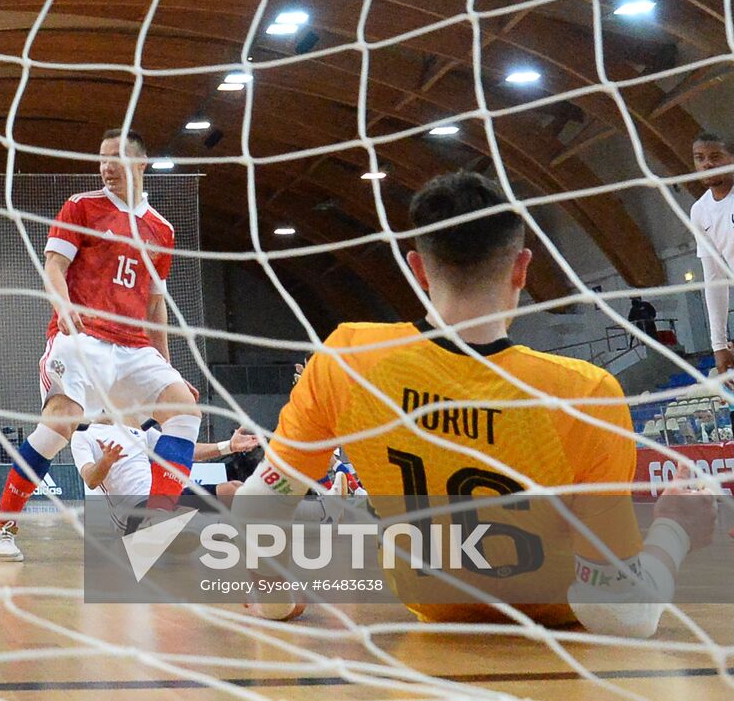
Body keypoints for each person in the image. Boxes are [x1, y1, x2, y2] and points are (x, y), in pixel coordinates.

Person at [232, 171, 715, 636]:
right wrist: (673, 529)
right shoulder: (582, 392)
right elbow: (621, 618)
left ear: (417, 268)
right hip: (557, 636)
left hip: (434, 626)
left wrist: (277, 598)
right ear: (522, 268)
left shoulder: (348, 358)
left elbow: (257, 505)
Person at [0, 129, 202, 562]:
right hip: (81, 338)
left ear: (141, 165)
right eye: (101, 159)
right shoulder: (82, 207)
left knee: (185, 411)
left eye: (115, 160)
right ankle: (1, 528)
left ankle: (153, 531)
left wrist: (166, 367)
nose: (105, 168)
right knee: (61, 423)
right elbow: (54, 265)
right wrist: (63, 307)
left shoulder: (161, 230)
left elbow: (155, 306)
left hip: (133, 346)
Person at [72, 419, 261, 531]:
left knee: (234, 490)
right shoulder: (83, 434)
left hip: (162, 499)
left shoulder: (135, 425)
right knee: (178, 524)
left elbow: (182, 451)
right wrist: (106, 461)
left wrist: (229, 446)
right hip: (133, 512)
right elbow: (90, 478)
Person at [691, 133, 734, 375]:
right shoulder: (699, 211)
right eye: (700, 158)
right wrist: (718, 345)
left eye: (715, 157)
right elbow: (715, 279)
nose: (706, 163)